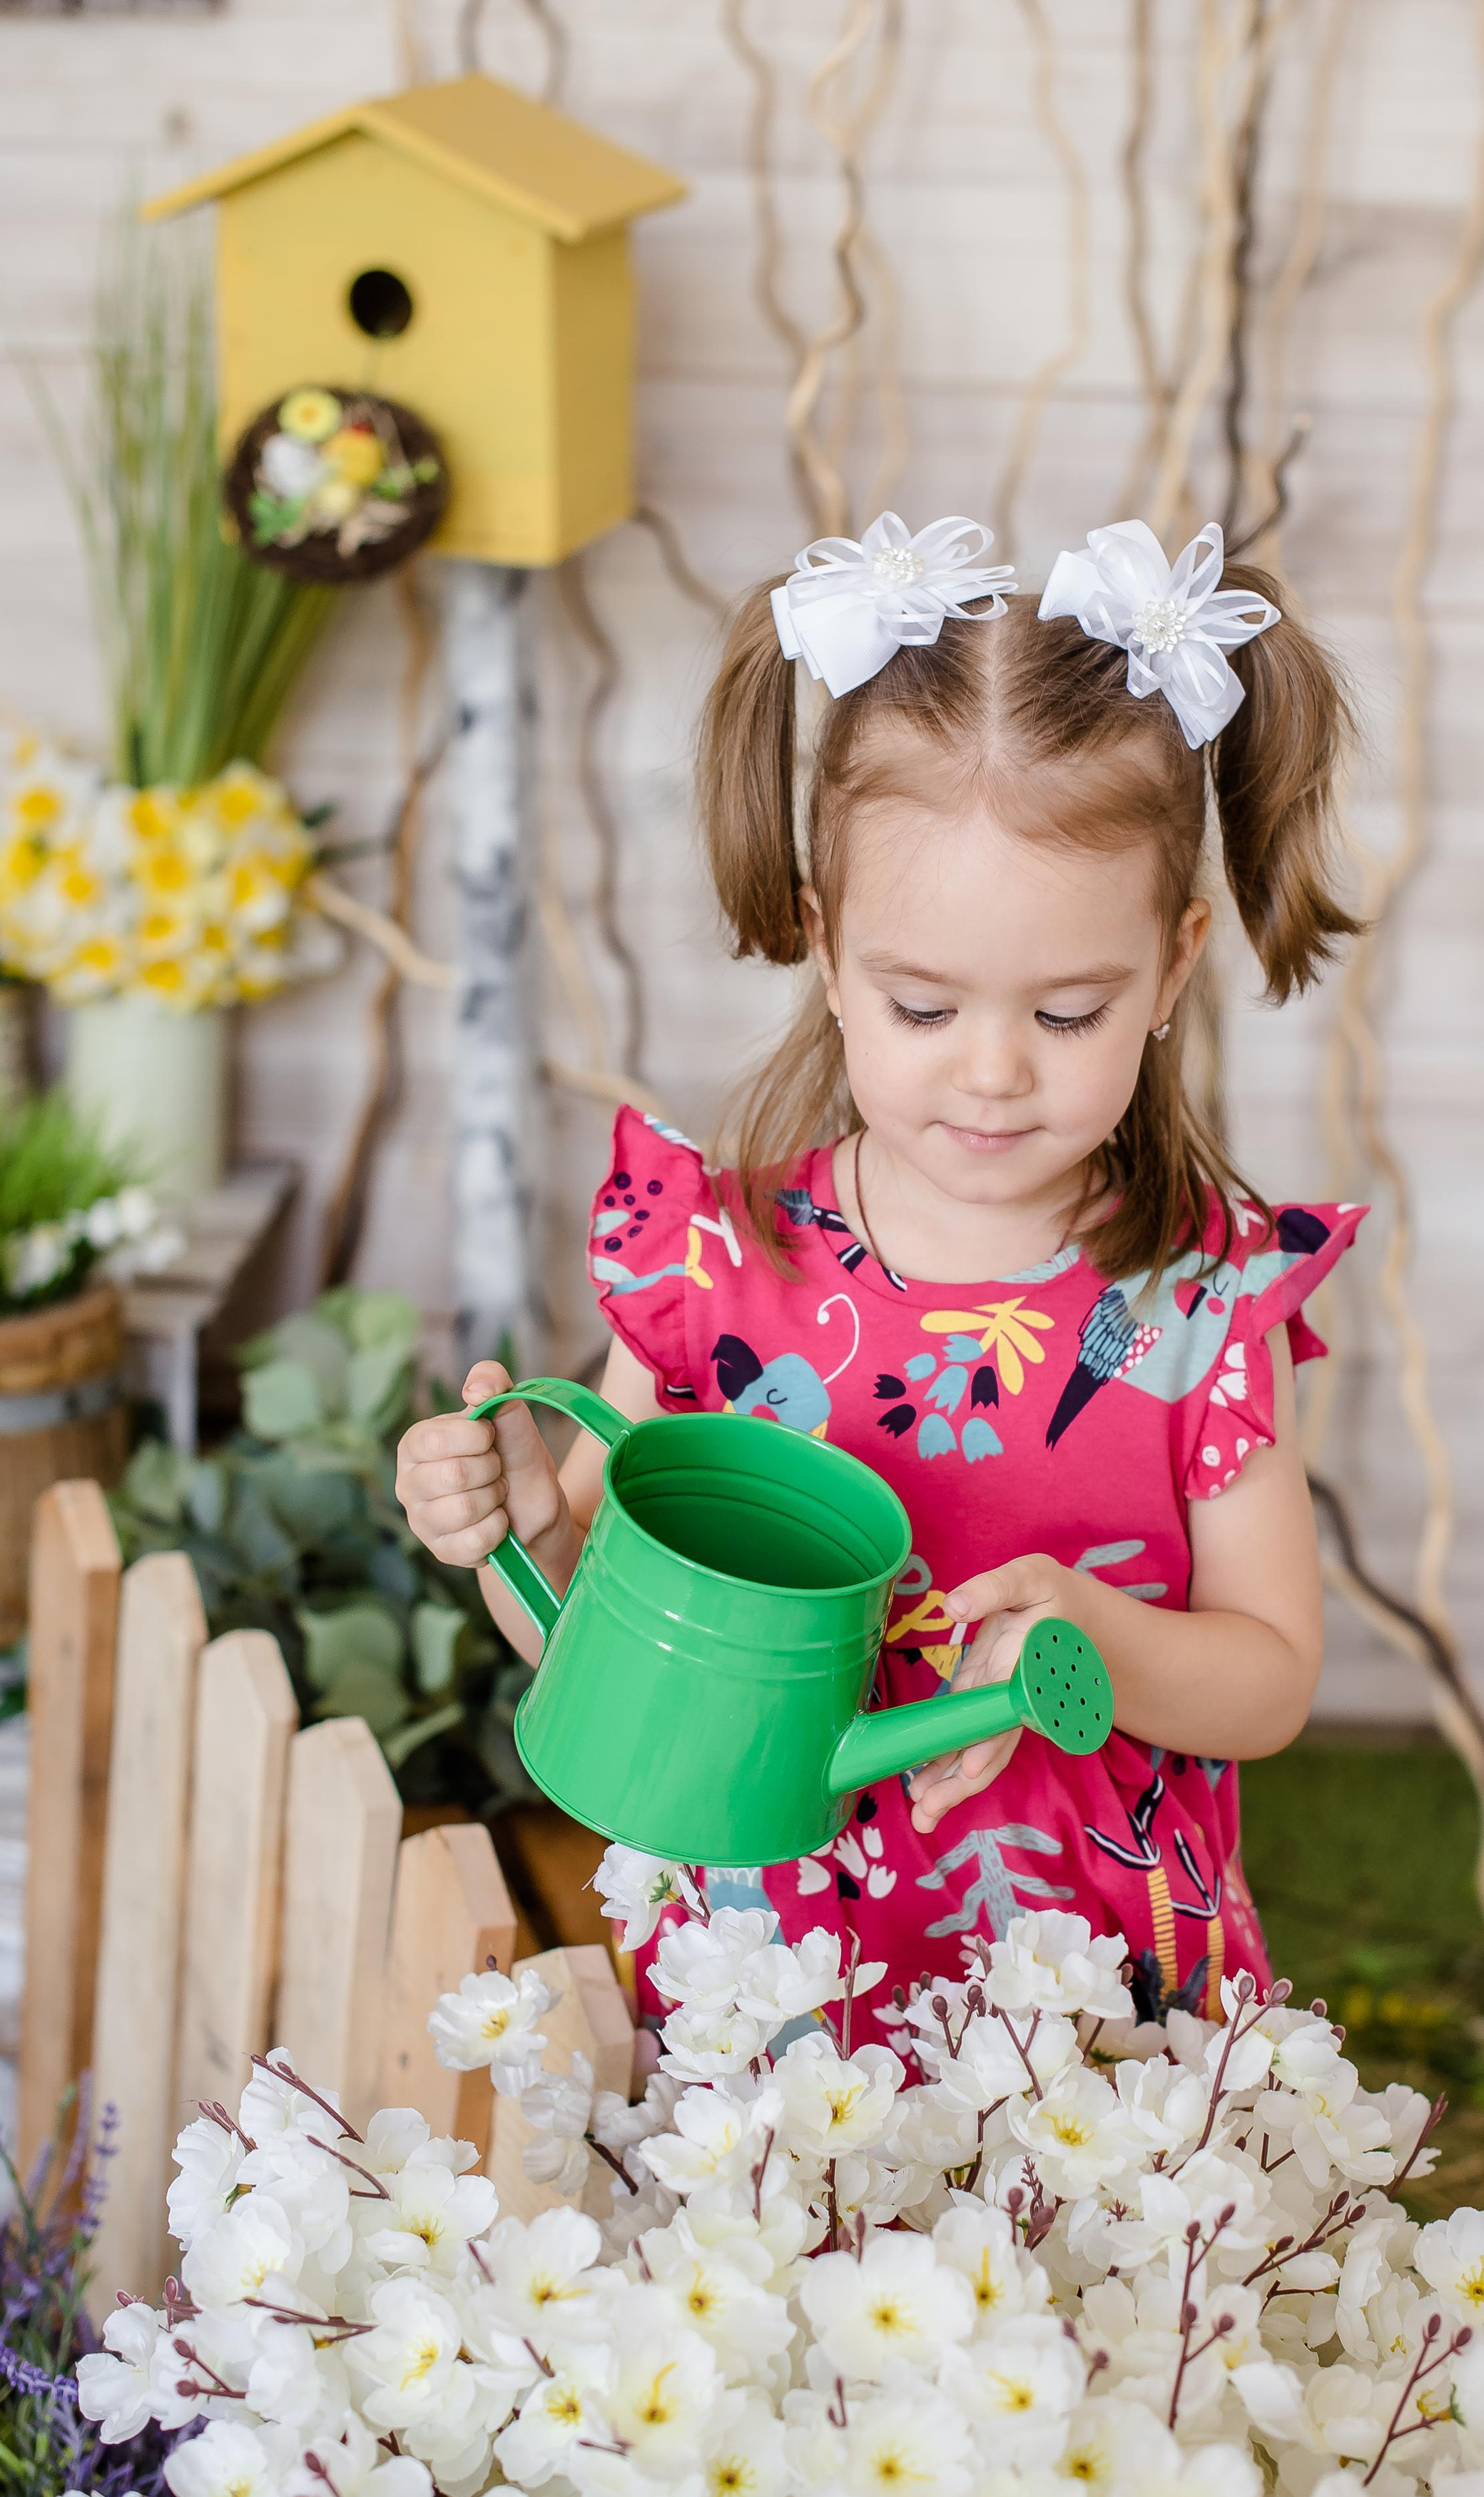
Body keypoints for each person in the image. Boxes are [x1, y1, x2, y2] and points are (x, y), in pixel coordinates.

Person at [396, 510, 1364, 2040]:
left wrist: (1092, 1640)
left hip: (1094, 2008)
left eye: (1066, 1015)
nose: (990, 1076)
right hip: (768, 1996)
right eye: (921, 1005)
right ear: (823, 944)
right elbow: (607, 1645)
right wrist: (524, 1534)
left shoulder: (1196, 1309)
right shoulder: (715, 1269)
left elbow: (1266, 1681)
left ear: (1174, 968)